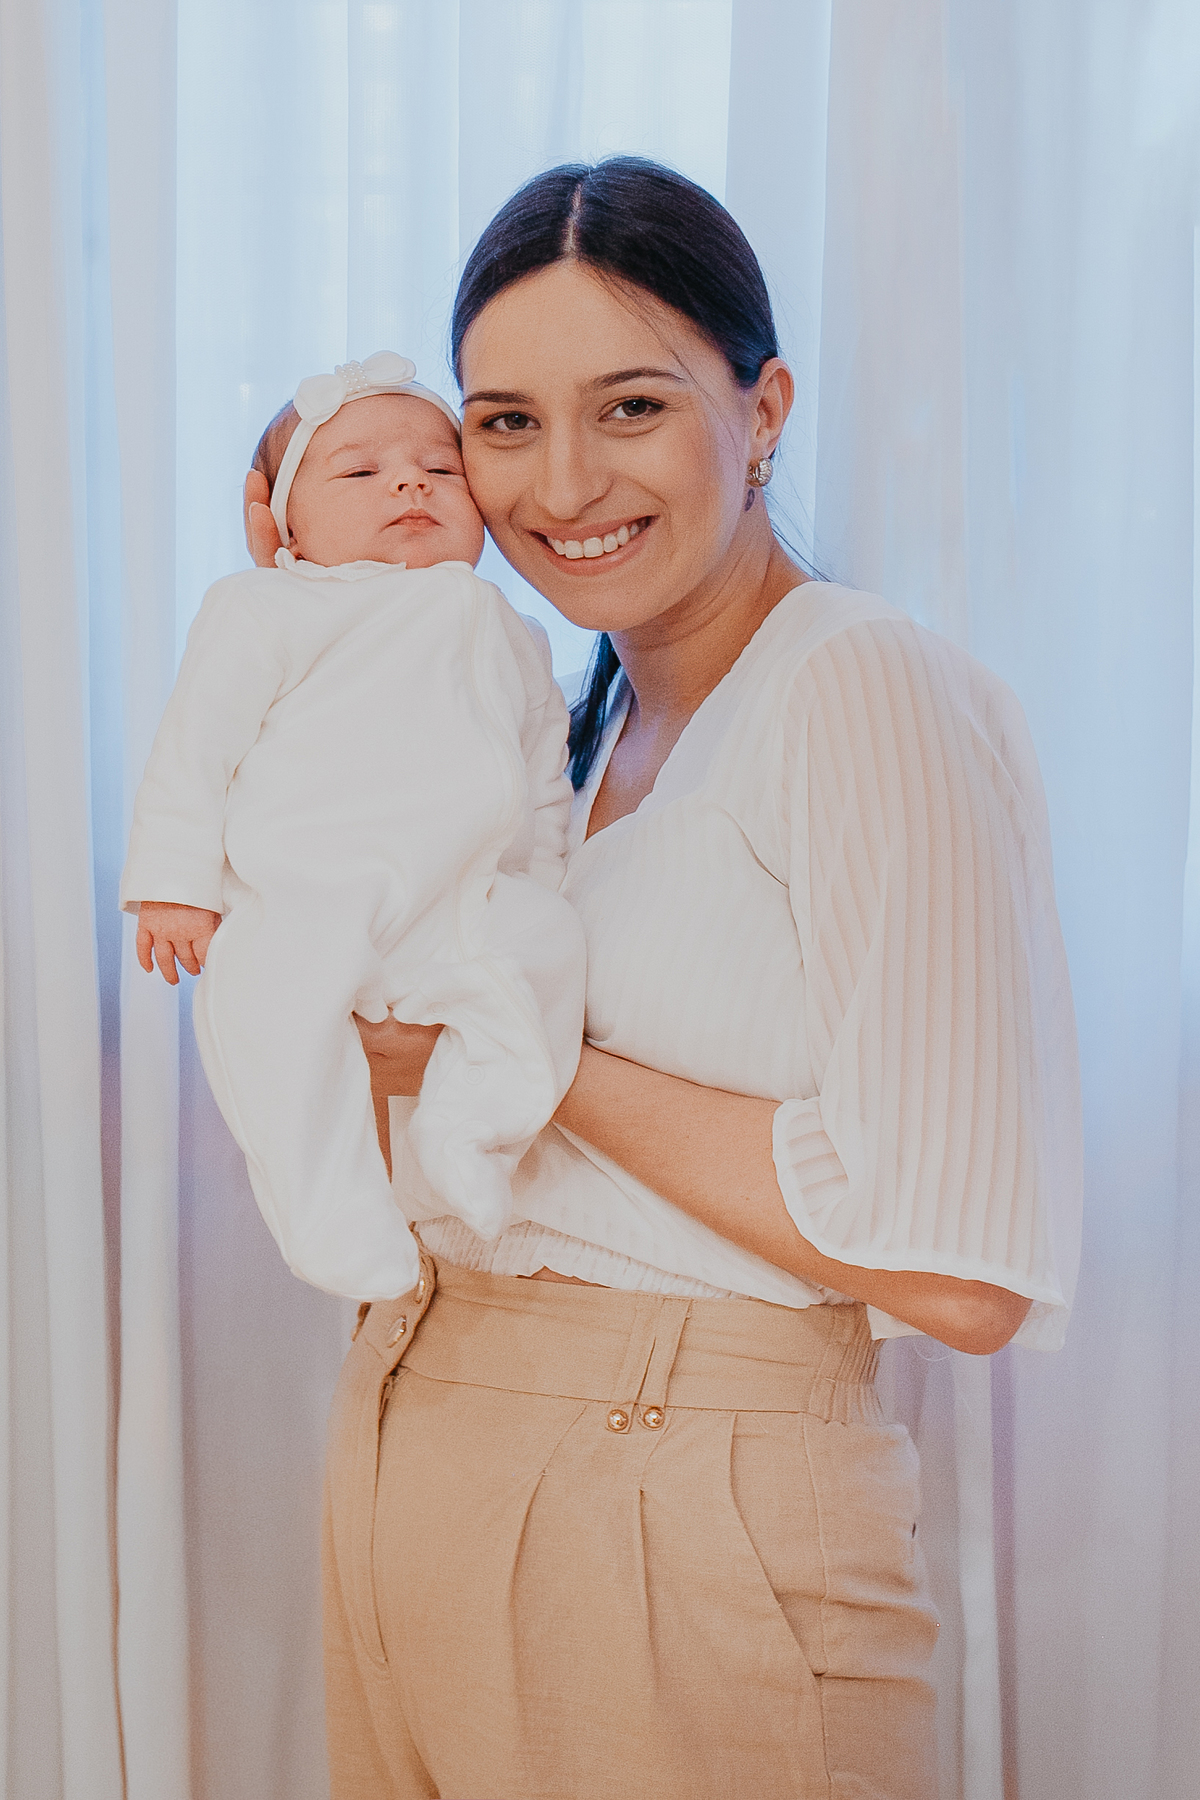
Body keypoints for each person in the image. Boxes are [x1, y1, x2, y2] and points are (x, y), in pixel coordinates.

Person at [245, 157, 1083, 1800]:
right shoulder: (552, 737)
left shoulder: (861, 690)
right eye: (504, 423)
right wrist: (313, 629)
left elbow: (960, 1272)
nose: (563, 483)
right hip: (425, 1444)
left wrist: (527, 1061)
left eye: (631, 406)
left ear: (762, 411)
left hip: (670, 1502)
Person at [123, 352, 585, 1301]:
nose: (411, 483)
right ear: (285, 526)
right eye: (361, 470)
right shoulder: (267, 607)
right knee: (275, 1030)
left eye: (441, 468)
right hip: (311, 890)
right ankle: (326, 1215)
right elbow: (196, 747)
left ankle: (470, 1132)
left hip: (464, 898)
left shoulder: (511, 627)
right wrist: (174, 883)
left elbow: (545, 770)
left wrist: (540, 876)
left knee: (548, 954)